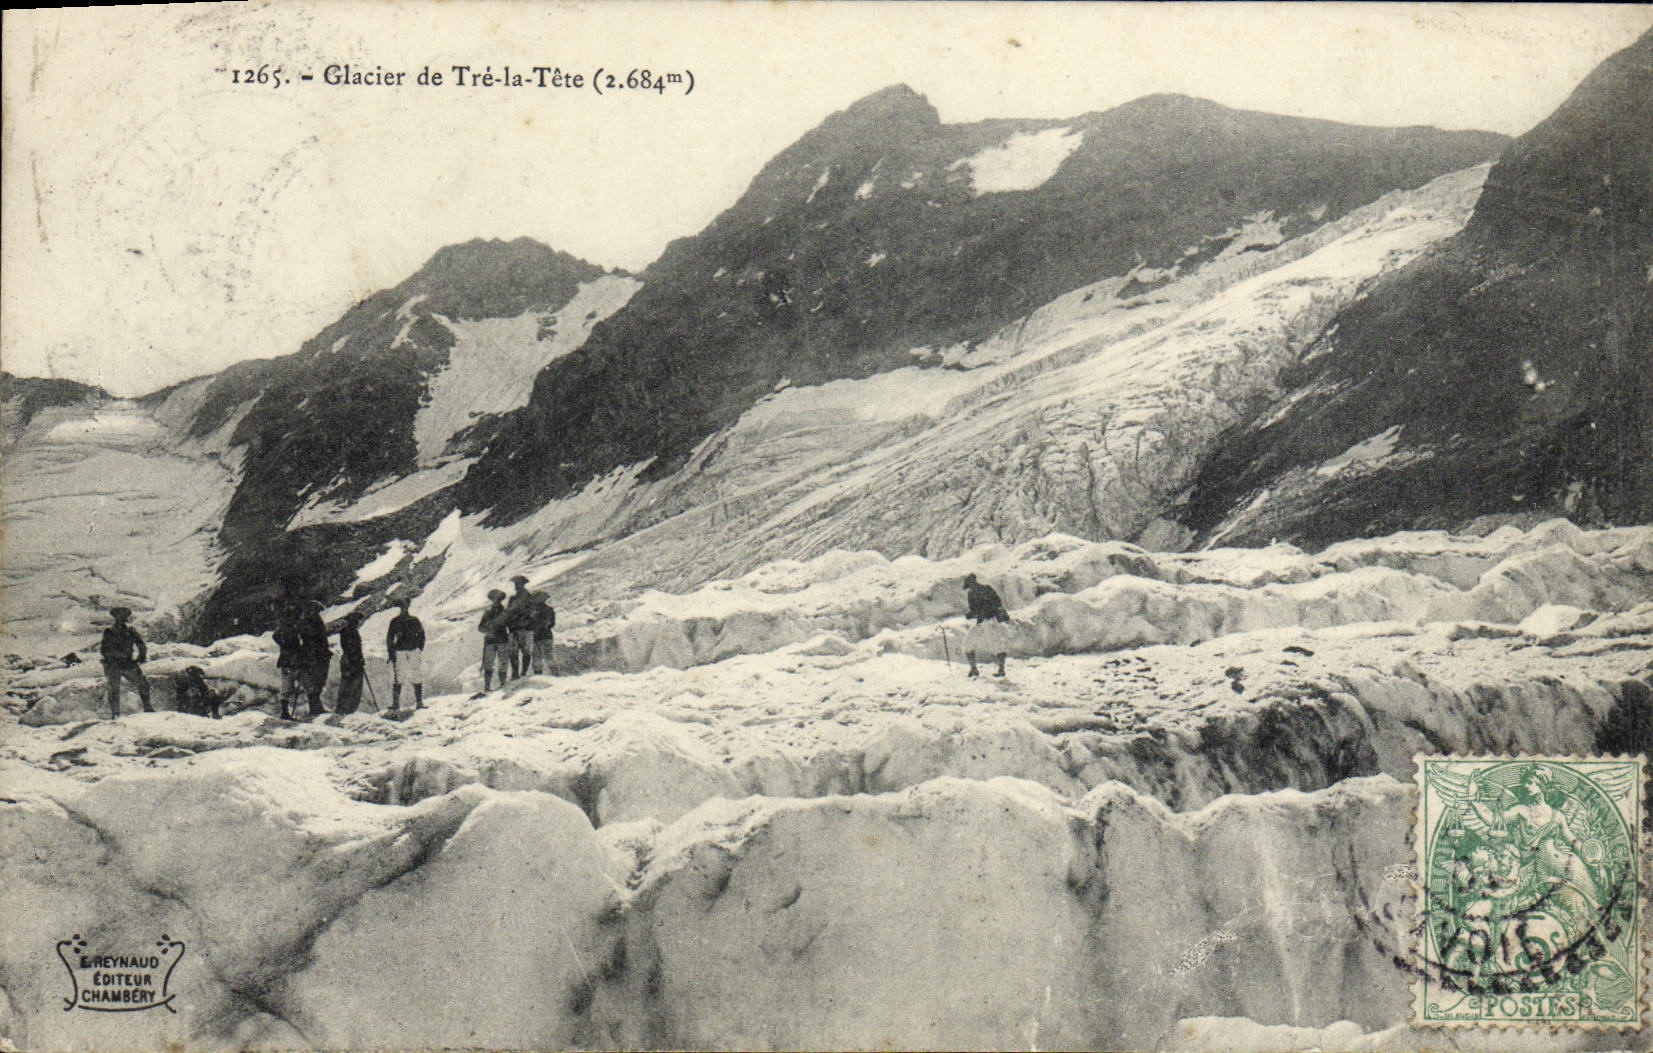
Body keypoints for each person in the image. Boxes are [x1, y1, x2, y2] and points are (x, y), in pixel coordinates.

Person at [99, 606, 152, 717]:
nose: (122, 618)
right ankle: (115, 714)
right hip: (114, 664)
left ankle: (147, 706)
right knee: (114, 689)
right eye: (119, 616)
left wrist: (141, 657)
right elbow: (103, 649)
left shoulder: (130, 631)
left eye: (123, 616)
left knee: (143, 683)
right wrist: (111, 657)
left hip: (126, 663)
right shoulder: (109, 632)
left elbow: (141, 645)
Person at [962, 573, 1011, 678]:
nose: (970, 587)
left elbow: (998, 603)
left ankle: (1001, 670)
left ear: (975, 581)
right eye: (969, 586)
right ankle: (974, 669)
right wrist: (970, 614)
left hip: (990, 620)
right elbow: (973, 610)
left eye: (971, 584)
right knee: (968, 644)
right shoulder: (970, 594)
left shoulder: (986, 589)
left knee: (996, 644)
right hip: (980, 622)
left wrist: (999, 611)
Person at [386, 597, 426, 715]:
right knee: (399, 676)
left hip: (413, 650)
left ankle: (419, 702)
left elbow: (422, 634)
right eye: (403, 606)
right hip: (400, 651)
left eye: (406, 606)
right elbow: (389, 638)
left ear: (408, 607)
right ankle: (396, 704)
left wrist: (419, 647)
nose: (404, 608)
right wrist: (391, 652)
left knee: (416, 674)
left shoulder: (414, 620)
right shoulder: (395, 621)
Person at [297, 599, 332, 718]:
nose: (316, 612)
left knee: (320, 680)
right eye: (315, 610)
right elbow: (310, 637)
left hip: (321, 654)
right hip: (313, 655)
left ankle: (316, 706)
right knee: (315, 680)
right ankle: (315, 707)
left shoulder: (316, 620)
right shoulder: (305, 622)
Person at [272, 603, 305, 720]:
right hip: (292, 661)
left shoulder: (284, 628)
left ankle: (285, 712)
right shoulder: (291, 628)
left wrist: (282, 645)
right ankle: (286, 712)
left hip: (286, 661)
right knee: (304, 683)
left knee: (286, 687)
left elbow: (275, 636)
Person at [333, 610, 366, 715]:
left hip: (349, 660)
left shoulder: (346, 630)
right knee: (351, 685)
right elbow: (351, 647)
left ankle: (344, 708)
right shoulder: (350, 631)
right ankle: (346, 709)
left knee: (348, 684)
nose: (358, 623)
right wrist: (358, 658)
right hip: (352, 661)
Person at [479, 590, 512, 691]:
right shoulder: (487, 613)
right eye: (494, 600)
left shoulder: (505, 613)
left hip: (502, 640)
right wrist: (488, 631)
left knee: (503, 663)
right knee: (488, 664)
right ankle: (487, 686)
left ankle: (502, 684)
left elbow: (511, 626)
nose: (496, 602)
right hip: (491, 641)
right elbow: (480, 627)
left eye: (498, 600)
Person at [505, 575, 537, 677]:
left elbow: (533, 613)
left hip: (526, 629)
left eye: (517, 584)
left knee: (526, 652)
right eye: (515, 584)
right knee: (512, 653)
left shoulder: (530, 598)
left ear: (522, 585)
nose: (516, 586)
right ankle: (515, 673)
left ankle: (523, 673)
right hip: (514, 629)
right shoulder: (512, 599)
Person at [531, 591, 557, 676]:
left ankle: (540, 675)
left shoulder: (546, 610)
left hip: (541, 636)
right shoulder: (548, 610)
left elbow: (550, 623)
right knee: (546, 657)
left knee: (539, 657)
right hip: (543, 636)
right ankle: (554, 675)